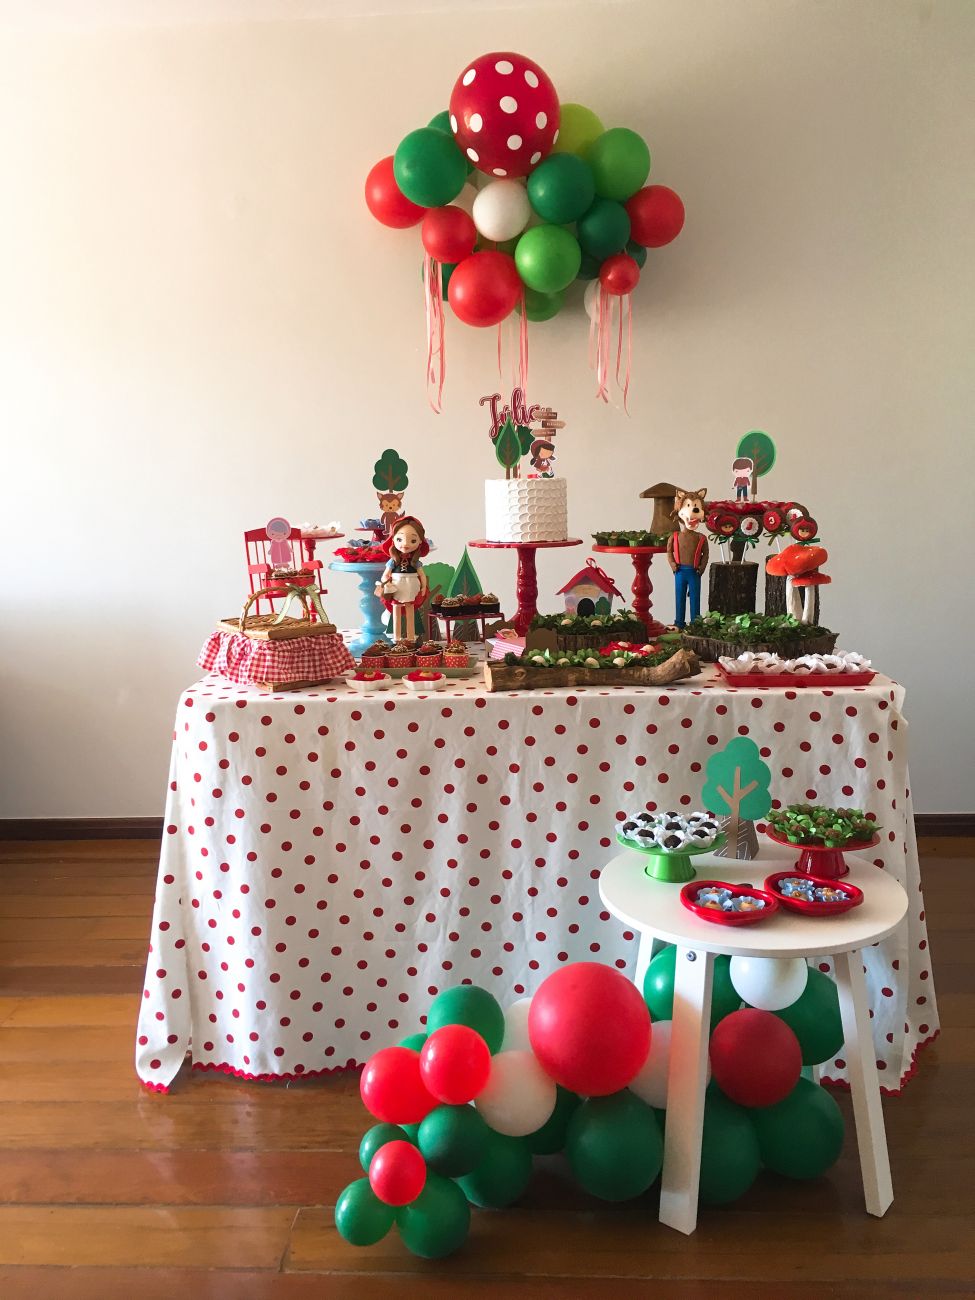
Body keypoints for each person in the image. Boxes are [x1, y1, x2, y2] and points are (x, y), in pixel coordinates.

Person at [375, 515, 429, 643]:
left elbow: (421, 575)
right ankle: (396, 637)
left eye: (413, 540)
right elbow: (385, 574)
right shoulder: (393, 561)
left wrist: (423, 587)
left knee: (410, 609)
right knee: (396, 610)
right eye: (400, 539)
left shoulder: (415, 561)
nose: (405, 544)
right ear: (393, 539)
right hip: (396, 586)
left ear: (420, 541)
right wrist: (385, 584)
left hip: (411, 585)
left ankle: (411, 637)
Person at [666, 489, 710, 628]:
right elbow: (669, 552)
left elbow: (705, 555)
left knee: (695, 598)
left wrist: (701, 569)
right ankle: (679, 622)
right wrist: (672, 564)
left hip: (694, 572)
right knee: (679, 597)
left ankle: (695, 623)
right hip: (679, 571)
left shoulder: (701, 538)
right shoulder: (674, 537)